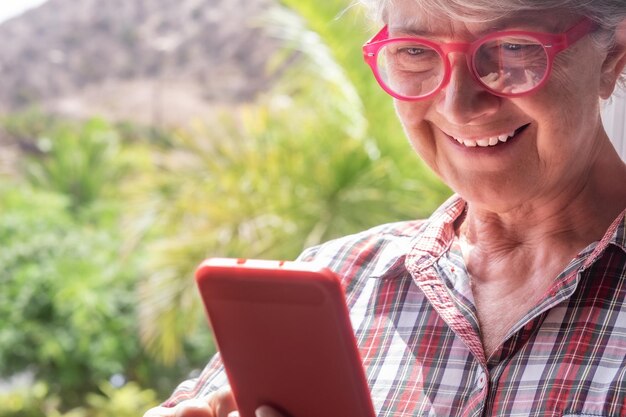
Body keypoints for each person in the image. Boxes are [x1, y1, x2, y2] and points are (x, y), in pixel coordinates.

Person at [145, 0, 626, 415]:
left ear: (612, 55)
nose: (458, 105)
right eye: (416, 53)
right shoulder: (336, 283)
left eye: (513, 49)